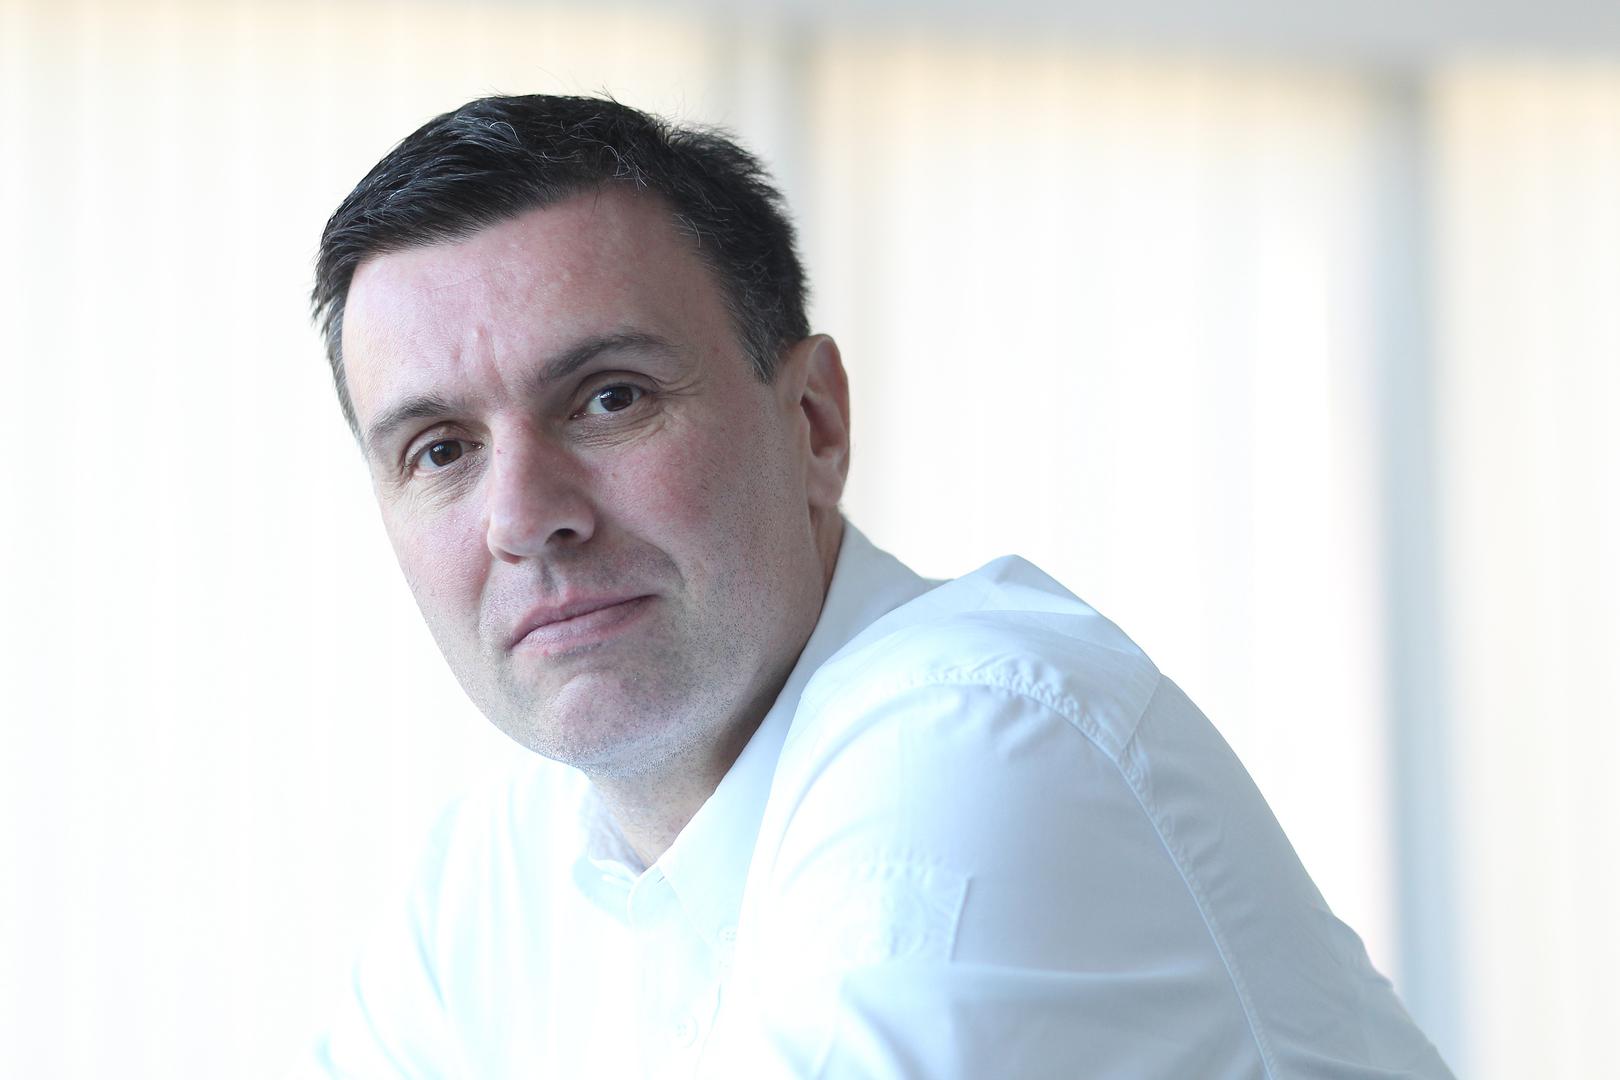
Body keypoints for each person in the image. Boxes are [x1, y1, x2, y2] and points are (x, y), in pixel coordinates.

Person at [300, 94, 1452, 1079]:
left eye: (611, 398)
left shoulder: (976, 736)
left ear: (813, 424)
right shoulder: (482, 884)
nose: (523, 518)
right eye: (439, 451)